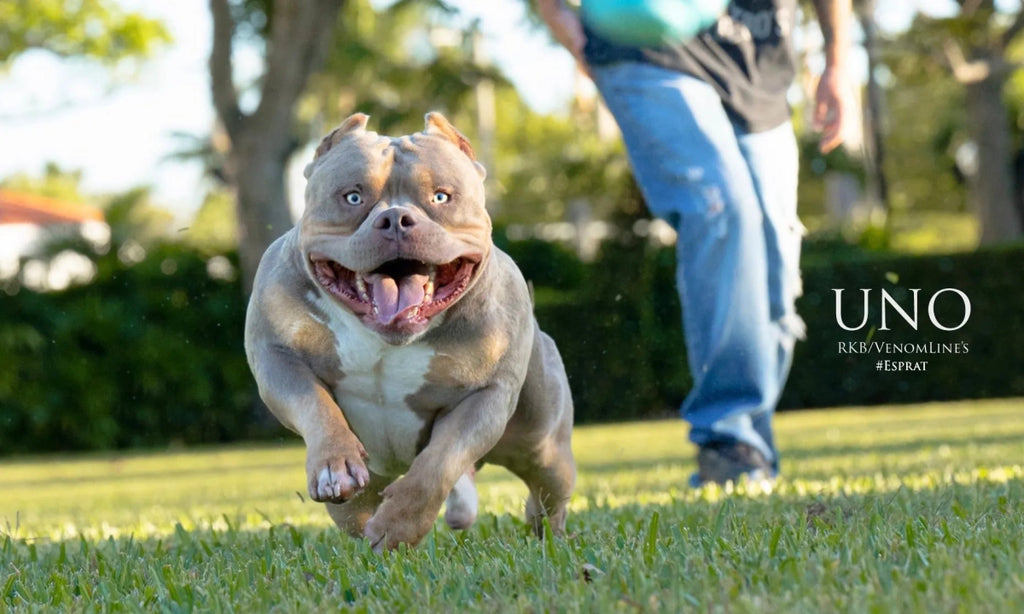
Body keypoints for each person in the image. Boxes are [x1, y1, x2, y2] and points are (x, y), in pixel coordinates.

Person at [539, 0, 851, 486]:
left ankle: (751, 445)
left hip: (758, 69)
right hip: (649, 53)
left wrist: (837, 62)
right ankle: (727, 438)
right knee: (723, 207)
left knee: (774, 264)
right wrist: (572, 30)